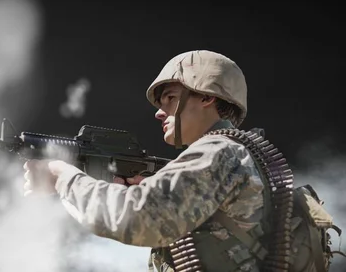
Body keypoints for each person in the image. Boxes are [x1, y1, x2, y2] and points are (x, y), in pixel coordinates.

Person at [23, 50, 267, 271]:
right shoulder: (240, 154)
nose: (159, 112)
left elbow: (139, 218)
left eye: (170, 98)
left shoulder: (220, 152)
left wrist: (61, 177)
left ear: (206, 97)